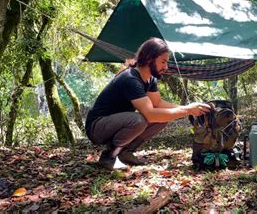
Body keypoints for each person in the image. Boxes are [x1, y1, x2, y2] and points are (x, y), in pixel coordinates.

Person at [85, 37, 211, 170]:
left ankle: (125, 152)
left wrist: (187, 108)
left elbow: (157, 103)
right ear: (150, 59)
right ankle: (109, 156)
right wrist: (188, 110)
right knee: (139, 120)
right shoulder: (130, 79)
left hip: (114, 124)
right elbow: (150, 114)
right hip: (97, 127)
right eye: (163, 62)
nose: (166, 67)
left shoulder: (149, 79)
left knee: (162, 119)